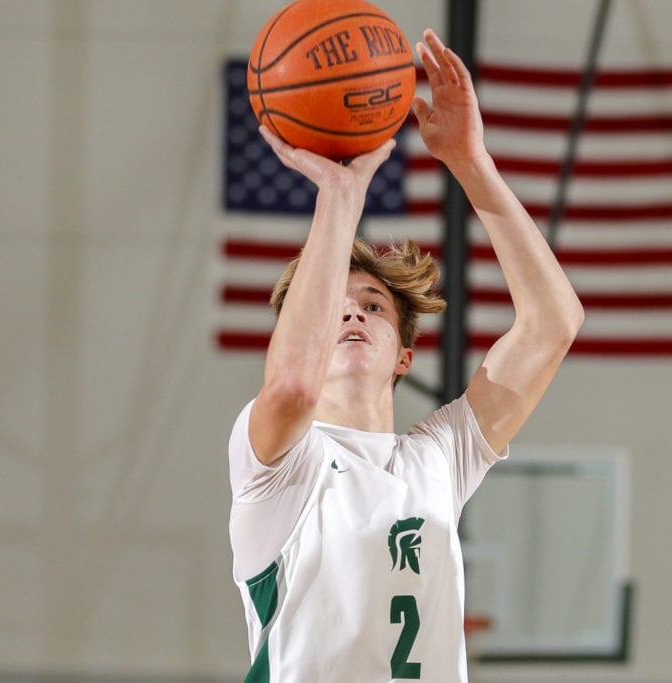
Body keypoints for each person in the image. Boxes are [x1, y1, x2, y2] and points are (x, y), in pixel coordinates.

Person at [227, 28, 584, 682]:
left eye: (372, 304)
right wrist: (340, 195)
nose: (351, 311)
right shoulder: (278, 464)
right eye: (334, 302)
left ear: (404, 356)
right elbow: (292, 387)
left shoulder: (438, 458)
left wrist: (473, 164)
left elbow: (553, 323)